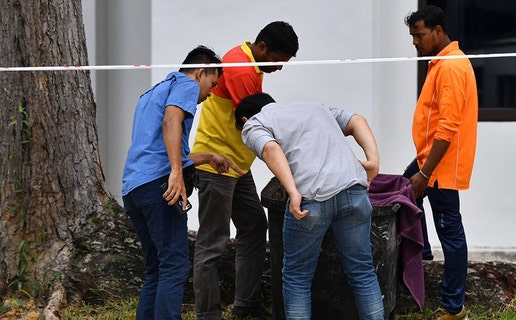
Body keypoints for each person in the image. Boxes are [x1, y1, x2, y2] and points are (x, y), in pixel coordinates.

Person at [236, 93, 385, 320]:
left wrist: (293, 191)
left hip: (313, 199)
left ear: (245, 120)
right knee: (362, 272)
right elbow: (357, 120)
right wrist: (373, 161)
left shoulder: (255, 124)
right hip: (354, 191)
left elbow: (270, 149)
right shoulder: (315, 108)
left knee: (297, 278)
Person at [122, 46, 242, 320]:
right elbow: (171, 122)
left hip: (134, 187)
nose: (210, 93)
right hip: (159, 186)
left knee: (157, 268)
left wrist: (207, 157)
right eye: (212, 84)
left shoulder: (152, 92)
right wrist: (176, 173)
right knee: (175, 265)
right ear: (201, 72)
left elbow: (157, 145)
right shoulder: (186, 84)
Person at [190, 21, 299, 319]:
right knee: (213, 241)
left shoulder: (249, 62)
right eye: (278, 61)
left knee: (253, 227)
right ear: (262, 48)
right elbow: (258, 123)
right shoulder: (240, 69)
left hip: (237, 165)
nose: (279, 68)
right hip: (216, 164)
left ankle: (246, 305)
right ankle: (208, 314)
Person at [404, 6, 478, 320]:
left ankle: (453, 307)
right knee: (403, 194)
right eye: (412, 36)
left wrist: (425, 172)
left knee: (451, 231)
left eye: (419, 35)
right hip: (429, 158)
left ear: (437, 31)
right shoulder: (442, 62)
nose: (415, 42)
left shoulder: (450, 67)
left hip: (439, 167)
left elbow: (447, 128)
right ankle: (423, 256)